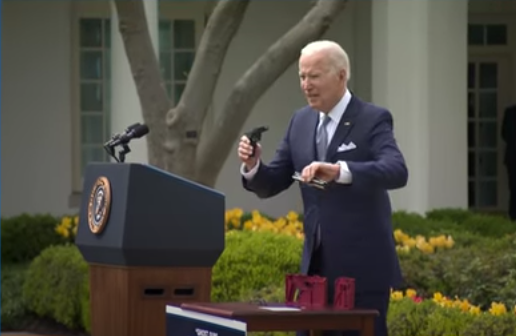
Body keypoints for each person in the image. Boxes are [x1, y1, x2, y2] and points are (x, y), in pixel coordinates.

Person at [237, 40, 408, 336]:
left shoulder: (372, 119)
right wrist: (253, 166)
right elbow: (274, 179)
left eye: (314, 76)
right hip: (315, 270)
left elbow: (396, 170)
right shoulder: (300, 121)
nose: (306, 85)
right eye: (302, 77)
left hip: (362, 271)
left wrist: (341, 172)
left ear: (341, 75)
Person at [502, 104, 516, 221]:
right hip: (513, 157)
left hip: (512, 156)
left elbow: (504, 134)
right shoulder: (510, 112)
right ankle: (513, 215)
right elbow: (504, 133)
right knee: (513, 187)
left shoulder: (510, 112)